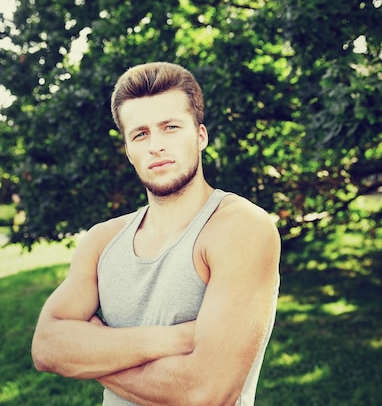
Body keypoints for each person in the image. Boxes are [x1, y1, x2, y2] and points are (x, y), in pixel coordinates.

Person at [31, 62, 281, 406]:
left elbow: (206, 392)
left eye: (170, 127)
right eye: (140, 134)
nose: (155, 146)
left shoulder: (239, 228)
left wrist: (92, 353)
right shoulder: (102, 241)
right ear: (128, 150)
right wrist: (171, 340)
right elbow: (46, 346)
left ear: (200, 135)